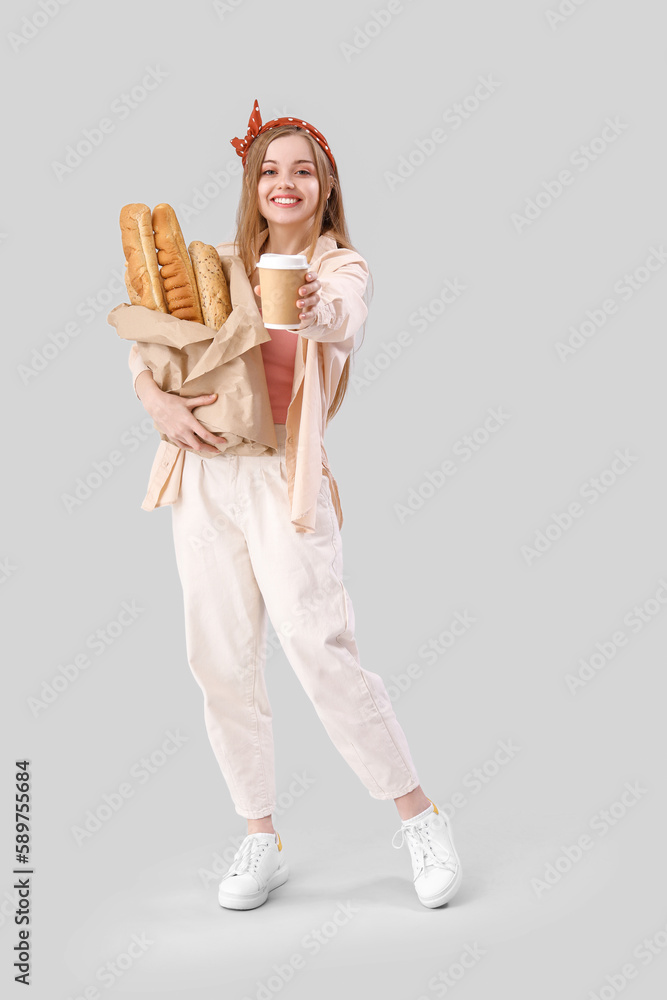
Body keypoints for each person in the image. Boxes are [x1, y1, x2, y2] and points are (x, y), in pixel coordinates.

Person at [123, 99, 462, 911]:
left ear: (325, 185)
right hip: (202, 475)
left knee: (317, 644)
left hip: (285, 476)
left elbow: (340, 320)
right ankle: (259, 835)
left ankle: (419, 815)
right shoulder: (219, 266)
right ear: (252, 183)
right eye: (269, 169)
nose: (285, 181)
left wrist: (314, 310)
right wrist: (156, 404)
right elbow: (150, 342)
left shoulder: (339, 268)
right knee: (219, 659)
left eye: (301, 169)